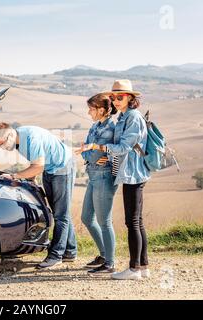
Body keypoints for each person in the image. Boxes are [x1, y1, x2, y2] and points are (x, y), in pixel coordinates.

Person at [83, 79, 151, 280]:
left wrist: (99, 148)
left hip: (134, 174)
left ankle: (134, 269)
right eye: (113, 97)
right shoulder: (123, 117)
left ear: (130, 98)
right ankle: (143, 266)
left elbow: (123, 148)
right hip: (127, 172)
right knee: (137, 221)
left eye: (119, 97)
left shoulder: (133, 118)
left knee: (133, 222)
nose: (115, 100)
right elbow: (117, 149)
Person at [0, 123, 77, 269]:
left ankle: (56, 255)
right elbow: (36, 162)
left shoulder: (31, 138)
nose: (2, 147)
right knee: (59, 212)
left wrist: (15, 176)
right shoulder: (18, 142)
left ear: (10, 135)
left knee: (60, 214)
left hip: (62, 166)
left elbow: (38, 165)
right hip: (50, 169)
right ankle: (70, 251)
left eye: (2, 143)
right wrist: (31, 178)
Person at [74, 93, 118, 273]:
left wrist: (90, 153)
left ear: (102, 110)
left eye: (91, 108)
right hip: (94, 175)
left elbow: (91, 154)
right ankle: (104, 254)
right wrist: (89, 152)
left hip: (103, 176)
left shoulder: (109, 129)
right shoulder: (95, 127)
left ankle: (110, 262)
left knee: (104, 221)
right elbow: (86, 151)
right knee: (86, 217)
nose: (88, 112)